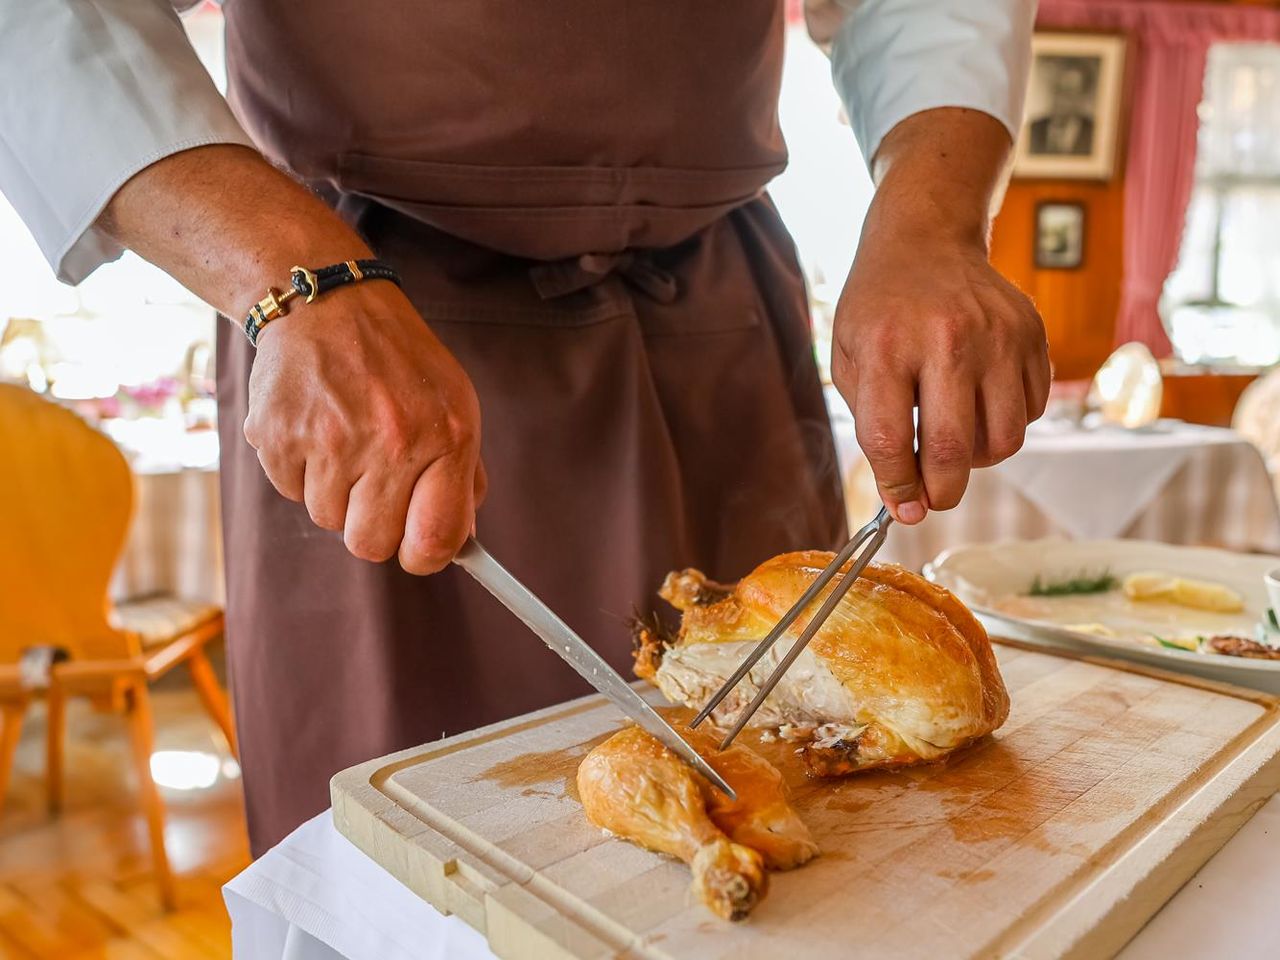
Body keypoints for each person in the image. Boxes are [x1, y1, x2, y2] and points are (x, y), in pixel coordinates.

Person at [0, 0, 1049, 855]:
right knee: (414, 866)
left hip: (716, 315)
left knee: (812, 822)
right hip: (365, 328)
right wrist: (280, 273)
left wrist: (930, 220)